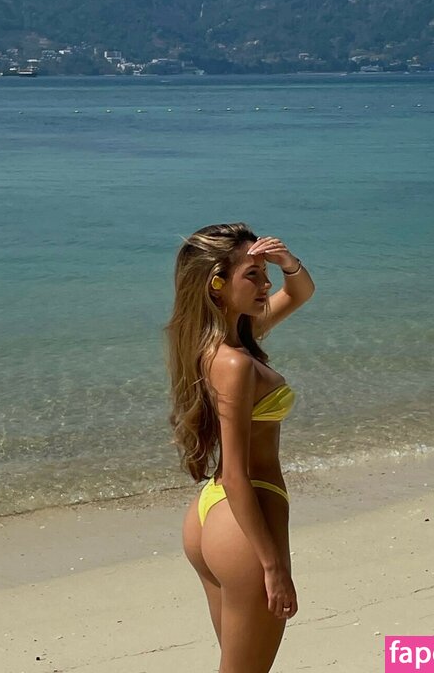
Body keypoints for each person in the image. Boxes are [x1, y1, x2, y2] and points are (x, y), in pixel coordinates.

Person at [165, 222, 315, 673]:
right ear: (215, 283)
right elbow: (235, 474)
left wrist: (286, 262)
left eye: (265, 273)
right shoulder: (234, 363)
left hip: (210, 517)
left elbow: (300, 292)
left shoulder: (217, 342)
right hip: (244, 519)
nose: (266, 284)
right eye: (253, 274)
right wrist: (273, 566)